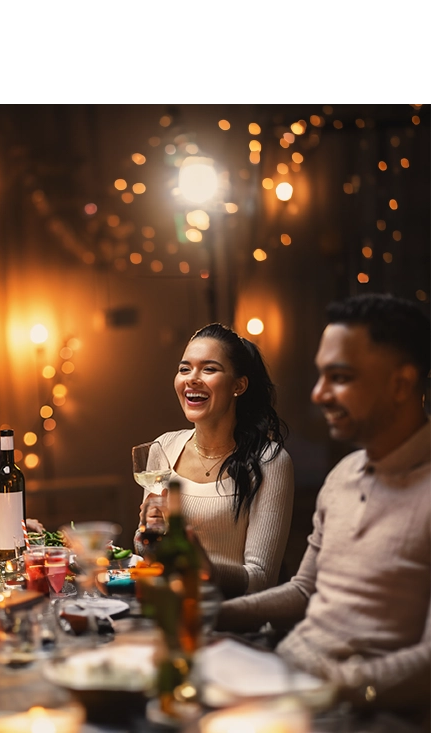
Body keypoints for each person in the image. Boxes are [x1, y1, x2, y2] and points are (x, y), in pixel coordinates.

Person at [215, 294, 431, 721]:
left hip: (360, 709)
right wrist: (212, 615)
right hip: (288, 670)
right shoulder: (345, 474)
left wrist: (328, 690)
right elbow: (304, 591)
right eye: (320, 376)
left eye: (341, 377)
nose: (319, 394)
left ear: (402, 385)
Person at [135, 323, 294, 598]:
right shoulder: (162, 447)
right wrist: (148, 534)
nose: (192, 379)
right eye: (185, 369)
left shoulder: (271, 461)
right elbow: (151, 555)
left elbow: (261, 579)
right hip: (170, 609)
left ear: (238, 385)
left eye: (209, 369)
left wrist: (201, 566)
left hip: (236, 623)